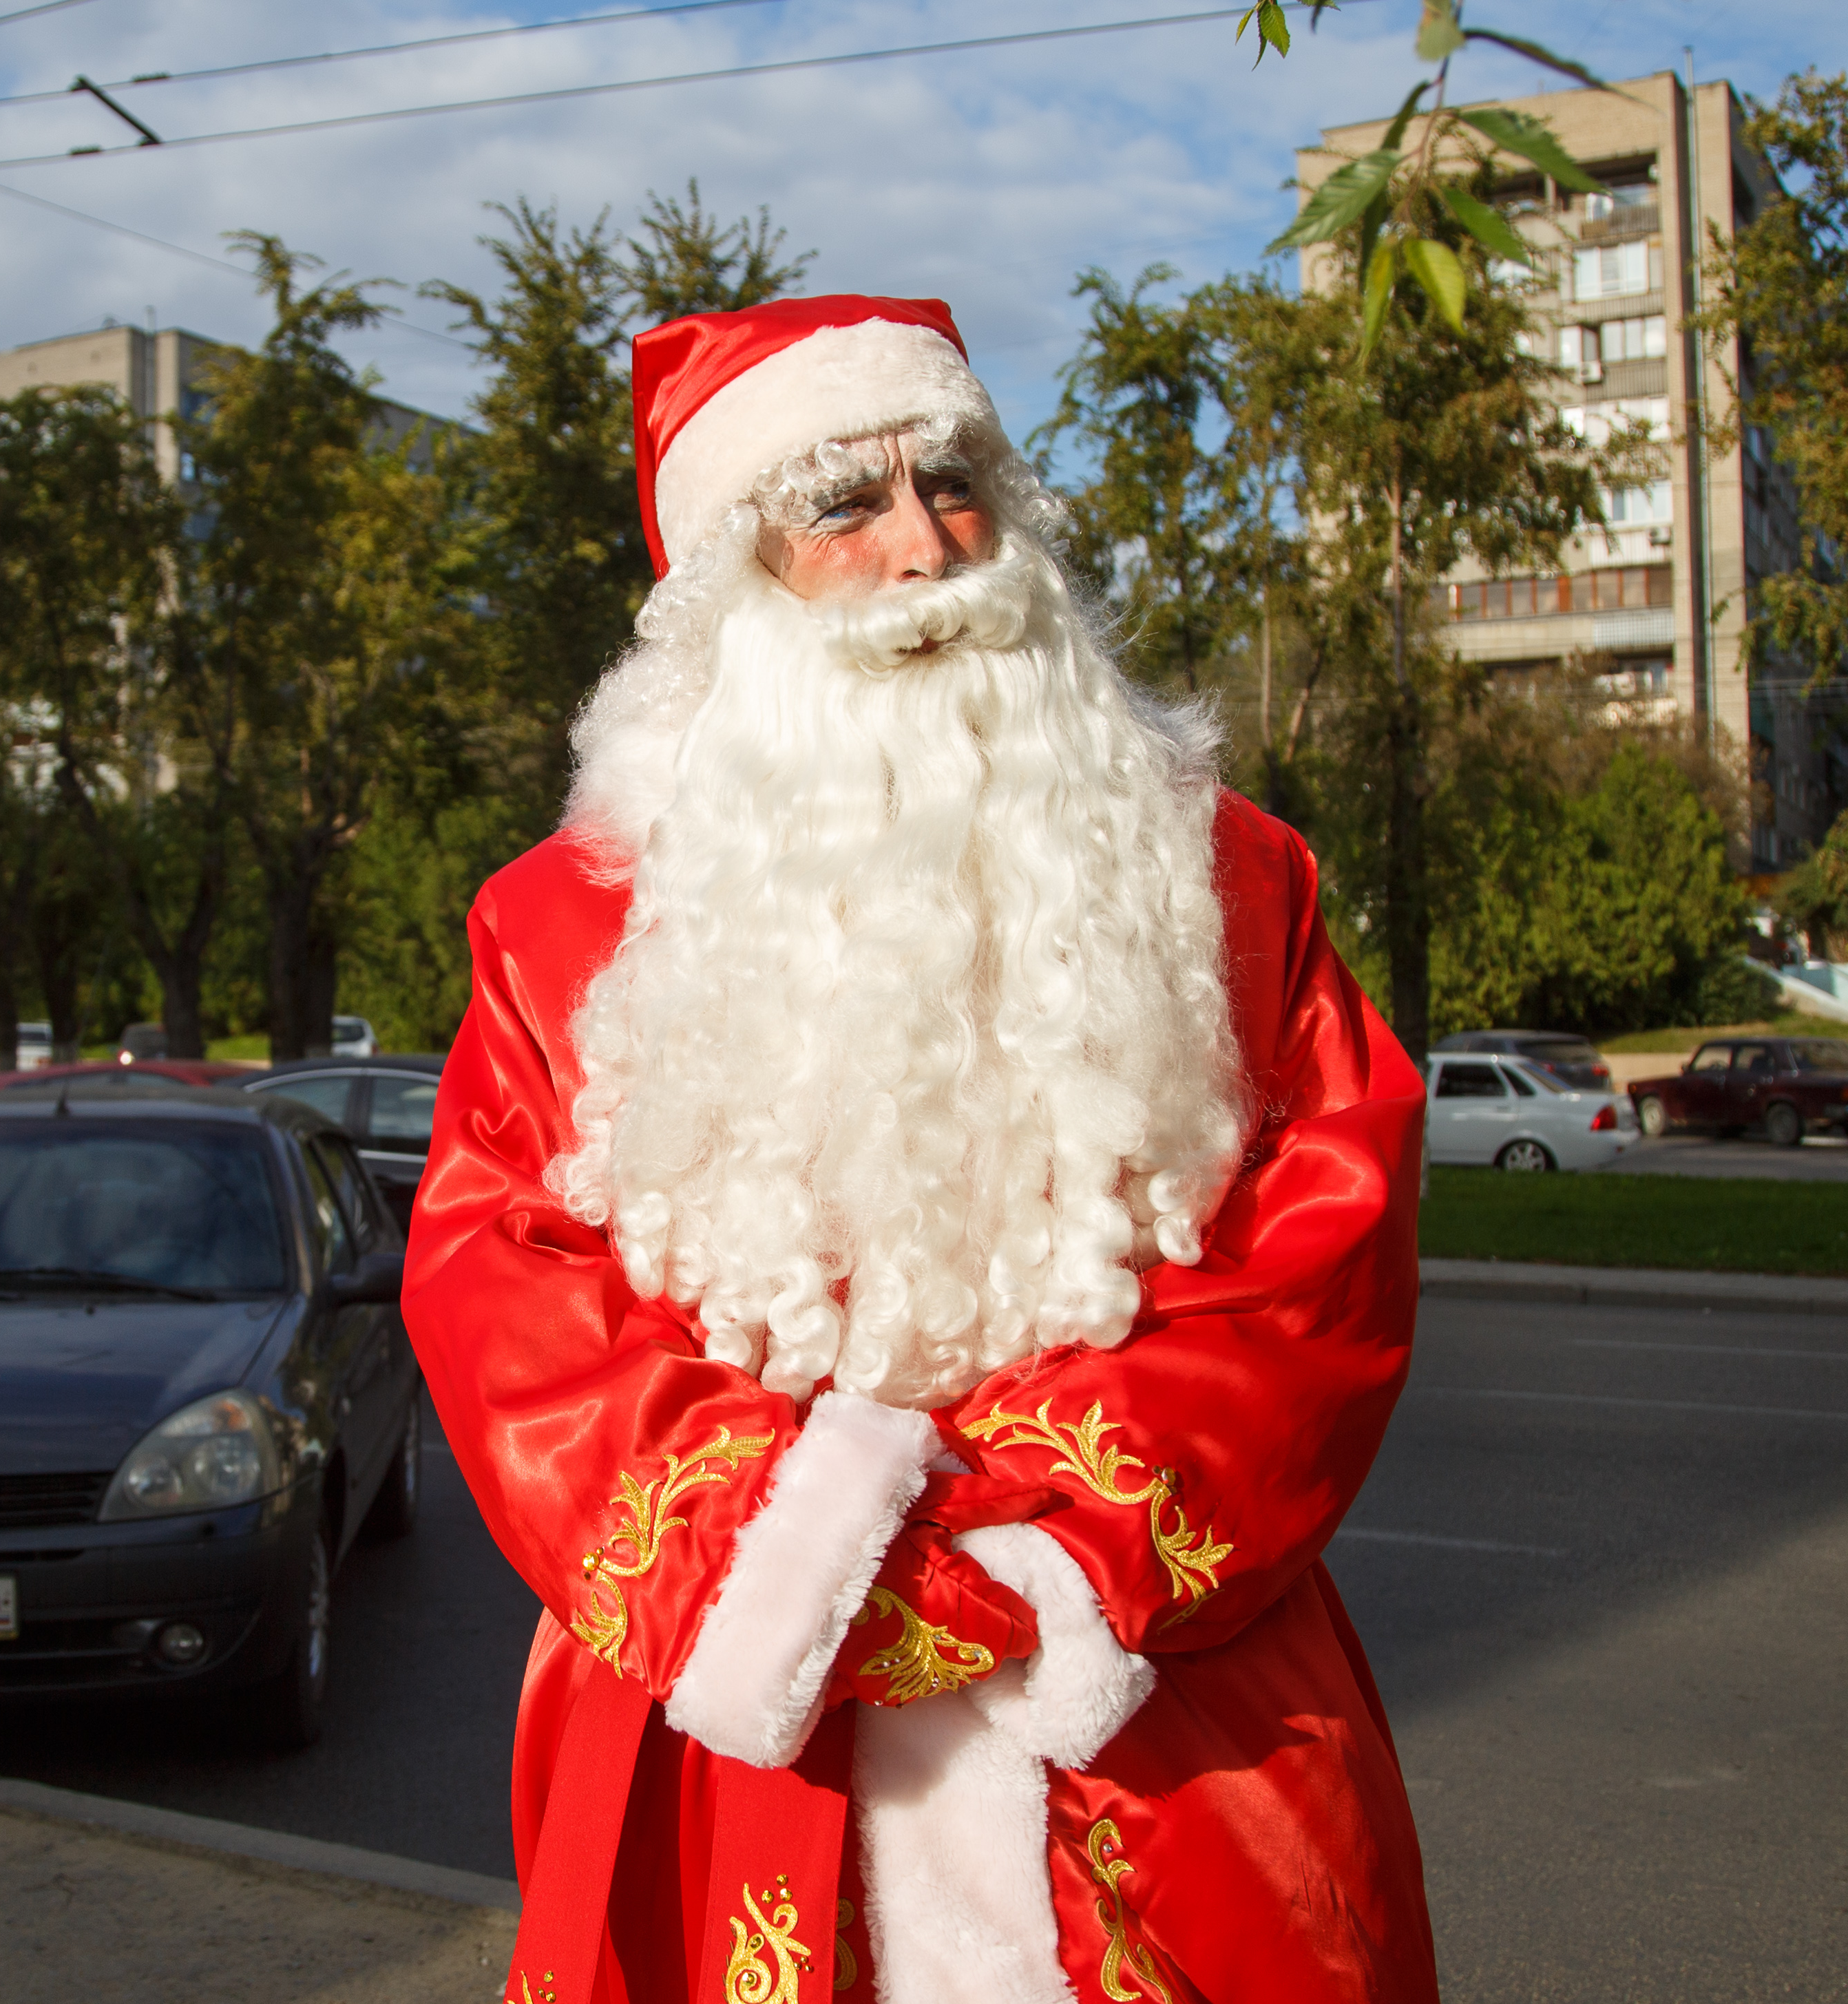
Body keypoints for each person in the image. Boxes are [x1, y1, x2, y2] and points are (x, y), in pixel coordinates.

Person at [404, 295, 1436, 2004]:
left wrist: (1038, 1558)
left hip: (1157, 1717)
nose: (927, 545)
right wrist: (786, 1565)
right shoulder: (558, 930)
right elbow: (503, 1288)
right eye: (844, 504)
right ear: (743, 580)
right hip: (742, 1730)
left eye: (953, 480)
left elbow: (1324, 1250)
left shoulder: (1238, 877)